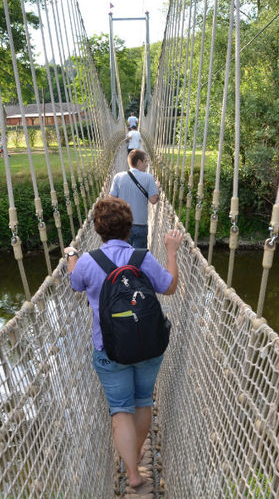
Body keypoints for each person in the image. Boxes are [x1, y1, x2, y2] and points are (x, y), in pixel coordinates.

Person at [65, 197, 183, 490]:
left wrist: (71, 256)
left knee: (120, 409)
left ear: (97, 229)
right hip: (148, 346)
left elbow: (75, 283)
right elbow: (169, 287)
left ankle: (132, 473)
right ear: (130, 228)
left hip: (109, 350)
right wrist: (171, 251)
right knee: (143, 400)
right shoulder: (142, 257)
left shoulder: (89, 262)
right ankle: (137, 450)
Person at [110, 149, 158, 248]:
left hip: (122, 225)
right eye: (145, 161)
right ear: (139, 162)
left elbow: (112, 200)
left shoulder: (118, 177)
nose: (147, 165)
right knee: (138, 259)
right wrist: (157, 190)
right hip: (140, 225)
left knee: (123, 257)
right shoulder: (149, 178)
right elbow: (153, 200)